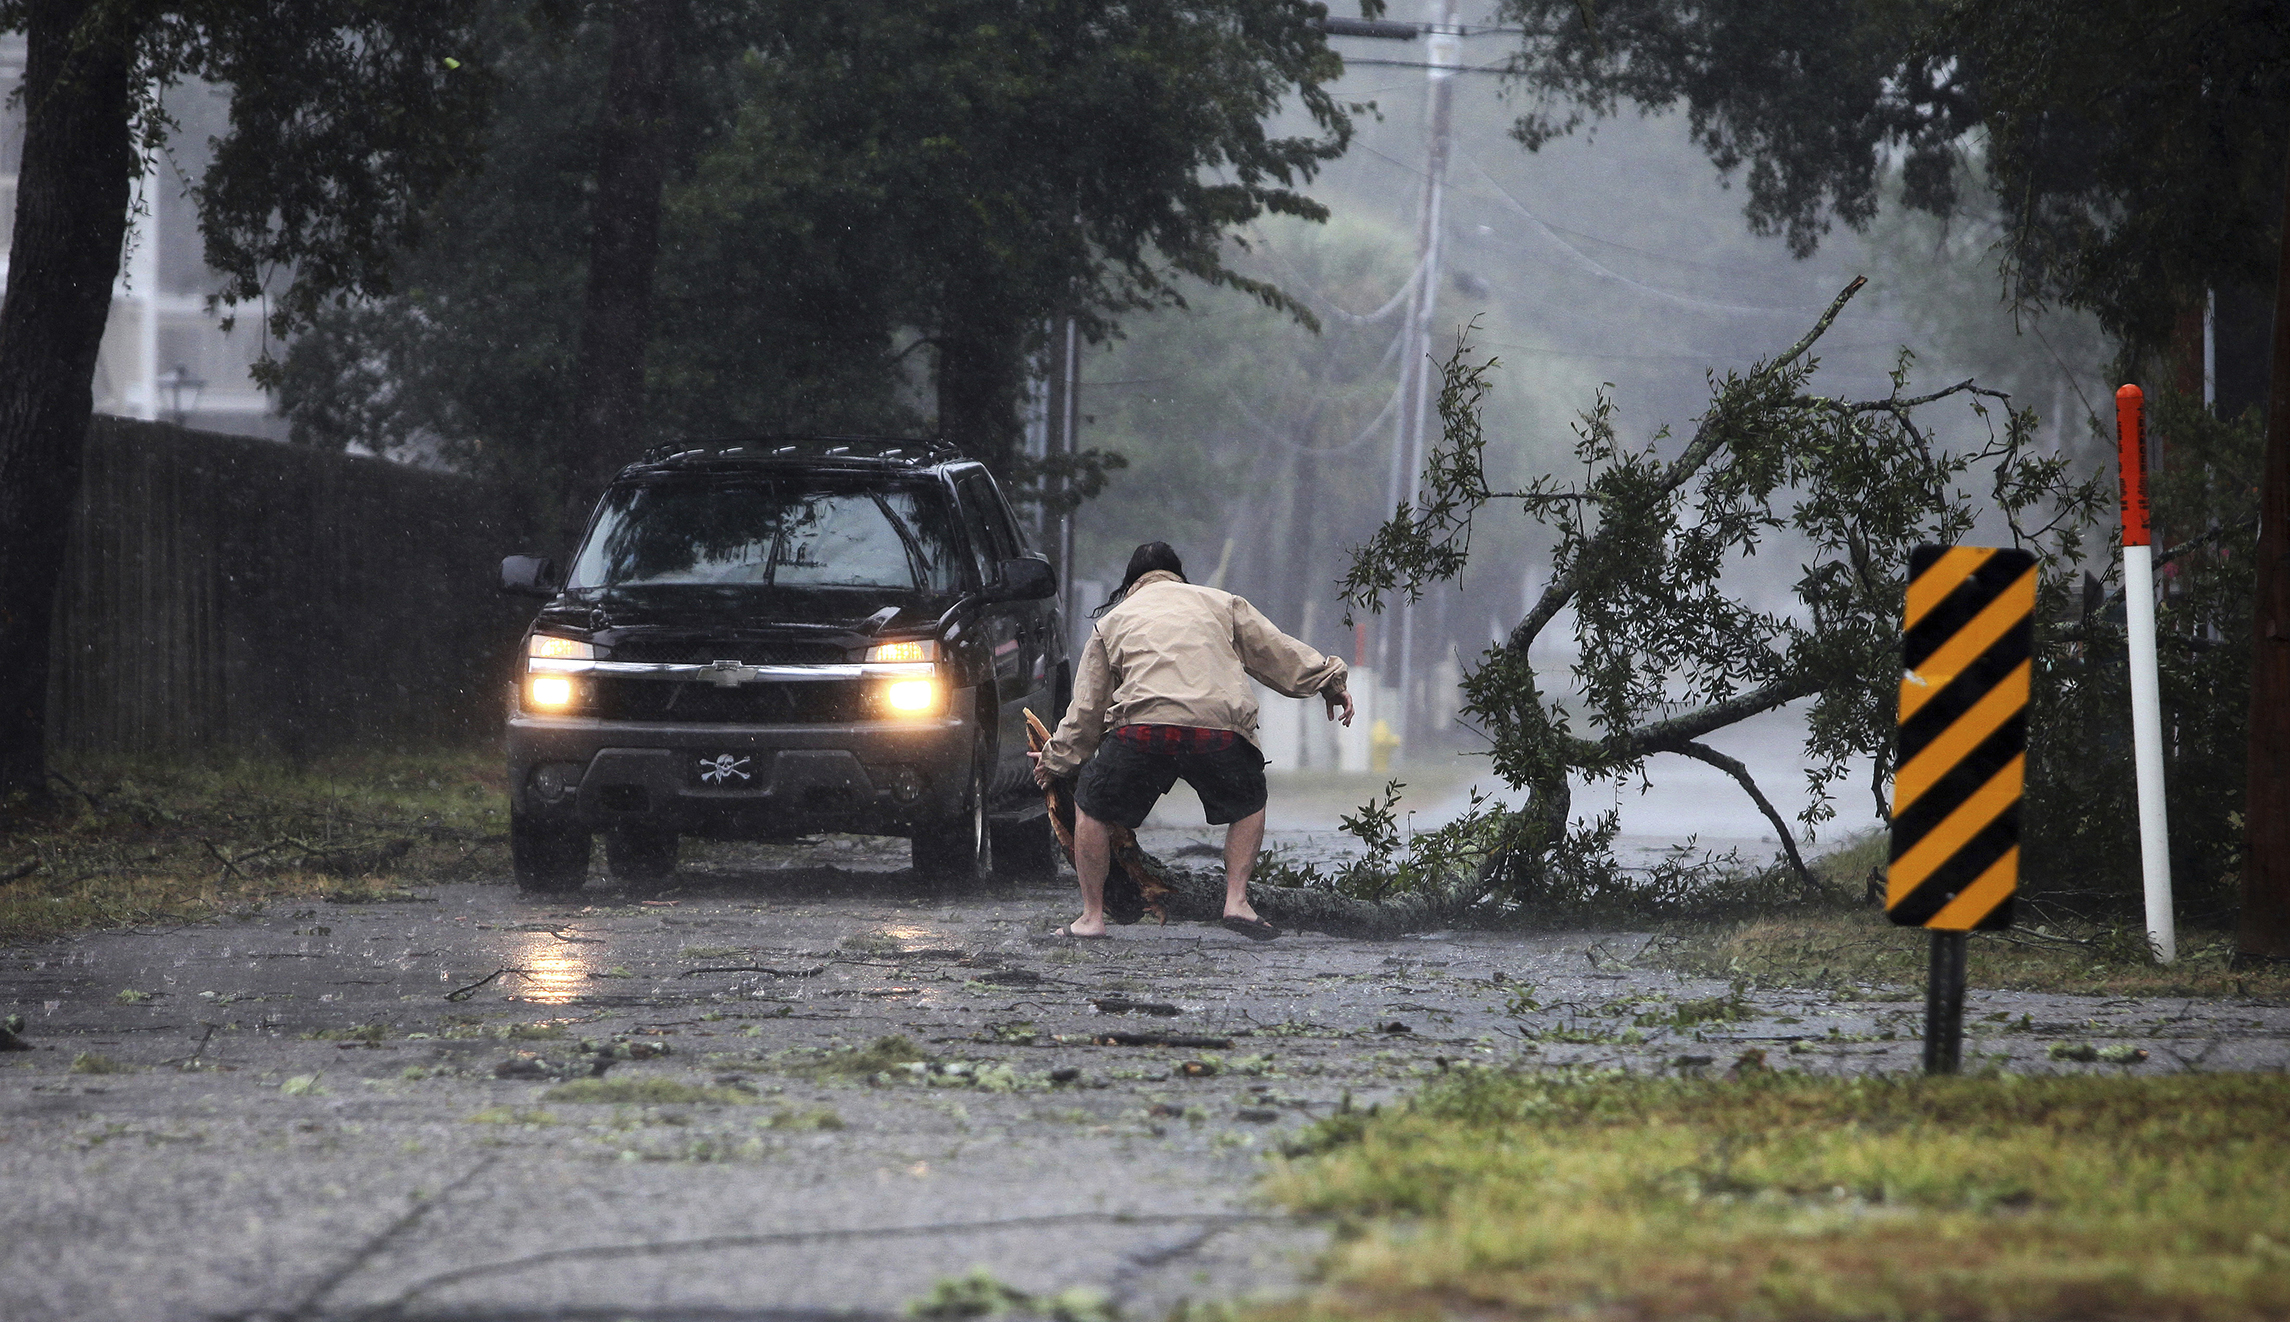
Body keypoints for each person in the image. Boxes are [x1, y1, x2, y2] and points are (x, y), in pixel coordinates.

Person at [1031, 542, 1354, 940]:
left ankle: (1092, 917)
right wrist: (1329, 682)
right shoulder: (1221, 604)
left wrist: (1056, 760)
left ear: (1131, 584)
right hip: (1217, 731)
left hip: (1142, 731)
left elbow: (1087, 710)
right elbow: (1278, 651)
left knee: (1091, 808)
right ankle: (1236, 900)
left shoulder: (1112, 623)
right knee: (1249, 802)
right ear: (1179, 576)